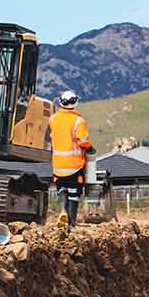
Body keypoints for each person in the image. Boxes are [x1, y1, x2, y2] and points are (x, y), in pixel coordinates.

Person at [49, 90, 95, 227]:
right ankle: (72, 224)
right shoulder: (79, 121)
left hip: (58, 165)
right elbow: (83, 141)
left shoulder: (53, 119)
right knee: (73, 194)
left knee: (62, 189)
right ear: (75, 102)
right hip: (74, 166)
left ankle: (63, 210)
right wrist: (90, 149)